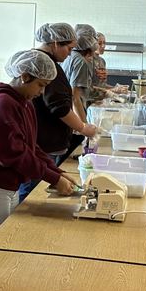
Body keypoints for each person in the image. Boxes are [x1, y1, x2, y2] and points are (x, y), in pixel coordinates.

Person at [0, 50, 75, 251]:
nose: (42, 92)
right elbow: (12, 153)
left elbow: (31, 146)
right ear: (24, 76)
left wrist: (57, 172)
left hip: (7, 183)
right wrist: (52, 177)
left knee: (3, 240)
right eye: (40, 85)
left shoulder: (24, 102)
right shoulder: (3, 104)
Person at [18, 23, 98, 201]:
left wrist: (56, 173)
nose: (70, 54)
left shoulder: (47, 63)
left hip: (42, 143)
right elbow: (59, 106)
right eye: (69, 49)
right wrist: (82, 127)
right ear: (55, 43)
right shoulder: (44, 64)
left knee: (36, 186)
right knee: (32, 192)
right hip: (44, 140)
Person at [62, 24, 99, 120]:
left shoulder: (71, 56)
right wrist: (83, 125)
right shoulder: (81, 62)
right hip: (72, 111)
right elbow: (75, 98)